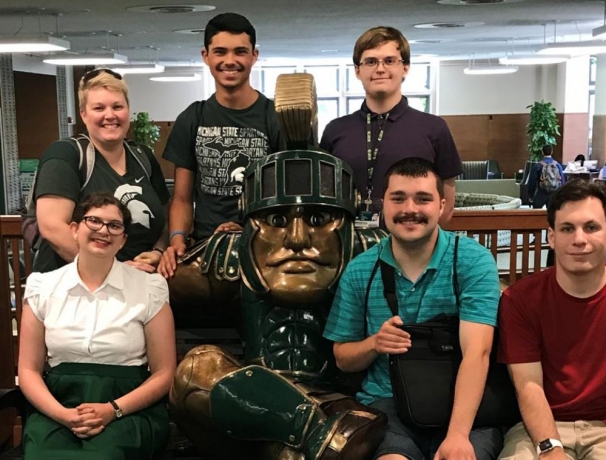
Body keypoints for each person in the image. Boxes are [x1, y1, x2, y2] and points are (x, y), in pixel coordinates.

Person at [169, 151, 387, 459]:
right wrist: (155, 260)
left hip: (338, 400)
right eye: (276, 220)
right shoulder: (229, 253)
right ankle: (312, 435)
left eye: (318, 219)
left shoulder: (371, 251)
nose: (297, 238)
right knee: (197, 368)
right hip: (252, 402)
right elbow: (158, 288)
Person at [324, 157, 503, 460]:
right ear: (384, 205)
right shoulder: (359, 271)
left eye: (423, 199)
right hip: (388, 403)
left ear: (442, 205)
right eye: (398, 198)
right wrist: (375, 344)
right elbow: (343, 358)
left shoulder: (473, 261)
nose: (410, 209)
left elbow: (478, 352)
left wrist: (458, 435)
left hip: (465, 405)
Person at [18, 193, 176, 460]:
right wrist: (64, 416)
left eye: (114, 226)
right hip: (58, 405)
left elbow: (164, 373)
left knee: (106, 456)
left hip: (128, 407)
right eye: (94, 221)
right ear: (74, 228)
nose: (104, 231)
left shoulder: (149, 288)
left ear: (123, 239)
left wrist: (111, 409)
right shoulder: (42, 287)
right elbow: (28, 370)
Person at [497, 179, 606, 460]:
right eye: (567, 228)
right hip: (538, 428)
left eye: (591, 227)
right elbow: (529, 384)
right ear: (551, 237)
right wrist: (551, 450)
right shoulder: (520, 300)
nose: (579, 239)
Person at [159, 12, 283, 278]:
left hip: (266, 250)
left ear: (254, 56)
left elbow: (288, 198)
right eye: (220, 52)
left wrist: (252, 229)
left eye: (240, 52)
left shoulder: (275, 117)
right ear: (206, 56)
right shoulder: (193, 117)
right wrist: (177, 239)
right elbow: (181, 197)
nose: (230, 61)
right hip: (206, 248)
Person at [32, 69, 170, 274]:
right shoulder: (65, 155)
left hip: (138, 288)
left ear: (127, 110)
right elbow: (52, 227)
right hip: (76, 291)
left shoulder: (143, 157)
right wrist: (114, 272)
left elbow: (164, 217)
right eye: (99, 108)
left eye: (117, 106)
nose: (110, 115)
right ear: (84, 114)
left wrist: (159, 251)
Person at [320, 26, 462, 224]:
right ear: (357, 71)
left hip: (412, 248)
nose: (380, 69)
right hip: (347, 246)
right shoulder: (335, 130)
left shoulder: (434, 128)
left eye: (389, 61)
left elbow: (445, 208)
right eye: (370, 61)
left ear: (405, 68)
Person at [528, 145, 565, 209]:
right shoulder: (557, 165)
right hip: (554, 194)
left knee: (535, 212)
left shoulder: (538, 166)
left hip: (542, 192)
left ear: (542, 152)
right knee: (552, 214)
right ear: (552, 152)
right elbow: (562, 181)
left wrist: (531, 196)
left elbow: (532, 182)